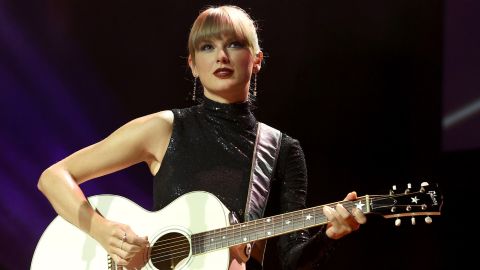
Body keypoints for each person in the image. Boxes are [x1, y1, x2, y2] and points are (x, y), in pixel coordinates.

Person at [37, 5, 366, 270]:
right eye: (207, 47)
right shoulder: (164, 128)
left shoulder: (282, 150)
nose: (221, 56)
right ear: (193, 64)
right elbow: (54, 177)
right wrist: (104, 232)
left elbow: (292, 259)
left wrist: (330, 235)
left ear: (257, 60)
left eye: (234, 44)